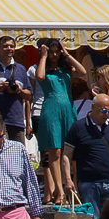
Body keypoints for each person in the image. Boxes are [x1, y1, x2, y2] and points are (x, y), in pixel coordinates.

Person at [0, 37, 38, 162]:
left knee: (17, 157)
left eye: (11, 46)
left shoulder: (20, 69)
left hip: (15, 120)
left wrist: (18, 91)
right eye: (5, 46)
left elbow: (29, 95)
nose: (9, 49)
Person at [67, 93, 109, 214]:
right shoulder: (78, 127)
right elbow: (67, 155)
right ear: (93, 106)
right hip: (89, 182)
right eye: (104, 111)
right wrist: (68, 179)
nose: (107, 114)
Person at [37, 42, 77, 206]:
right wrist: (43, 56)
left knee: (68, 150)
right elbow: (40, 77)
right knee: (55, 151)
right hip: (51, 110)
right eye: (52, 52)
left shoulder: (65, 69)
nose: (54, 55)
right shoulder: (43, 68)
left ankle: (67, 187)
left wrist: (66, 54)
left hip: (68, 110)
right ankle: (59, 191)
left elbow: (82, 72)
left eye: (56, 52)